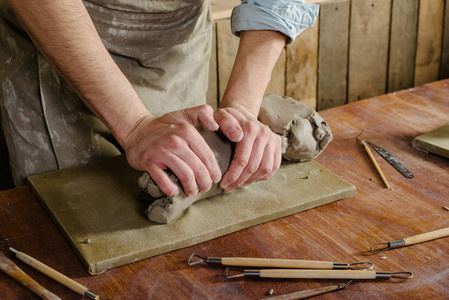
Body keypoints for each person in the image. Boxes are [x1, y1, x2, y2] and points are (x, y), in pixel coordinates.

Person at [0, 0, 319, 196]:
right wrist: (135, 125)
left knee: (186, 176)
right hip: (60, 38)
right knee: (77, 206)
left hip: (176, 43)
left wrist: (242, 109)